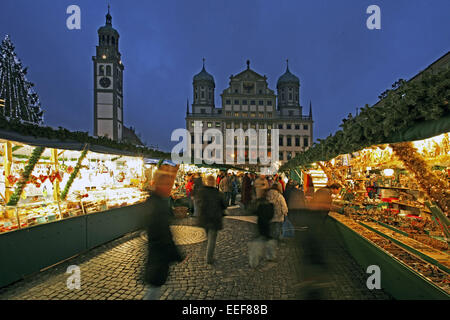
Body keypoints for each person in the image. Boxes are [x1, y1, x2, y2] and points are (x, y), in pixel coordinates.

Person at [143, 165, 184, 300]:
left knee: (154, 289)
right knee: (154, 290)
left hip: (157, 255)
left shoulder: (155, 201)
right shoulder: (158, 205)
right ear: (160, 184)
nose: (170, 187)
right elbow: (163, 235)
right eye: (167, 184)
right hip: (158, 257)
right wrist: (177, 255)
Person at [197, 175, 227, 264]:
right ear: (214, 182)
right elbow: (224, 204)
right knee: (212, 239)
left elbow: (199, 203)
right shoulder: (218, 193)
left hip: (204, 219)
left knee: (209, 237)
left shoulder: (201, 192)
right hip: (214, 219)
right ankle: (209, 259)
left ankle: (207, 255)